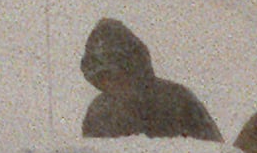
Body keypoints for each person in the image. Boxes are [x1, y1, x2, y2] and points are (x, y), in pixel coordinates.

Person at [78, 17, 222, 141]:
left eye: (116, 74)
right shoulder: (100, 113)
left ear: (133, 68)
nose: (110, 83)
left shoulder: (178, 102)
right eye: (102, 77)